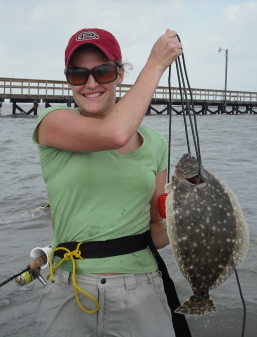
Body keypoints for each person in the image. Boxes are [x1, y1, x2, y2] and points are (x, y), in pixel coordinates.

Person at [32, 28, 186, 337]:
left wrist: (185, 218)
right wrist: (155, 64)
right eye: (78, 74)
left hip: (140, 289)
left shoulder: (154, 143)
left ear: (120, 75)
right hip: (69, 290)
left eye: (102, 72)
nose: (90, 83)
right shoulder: (52, 122)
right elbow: (115, 133)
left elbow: (155, 230)